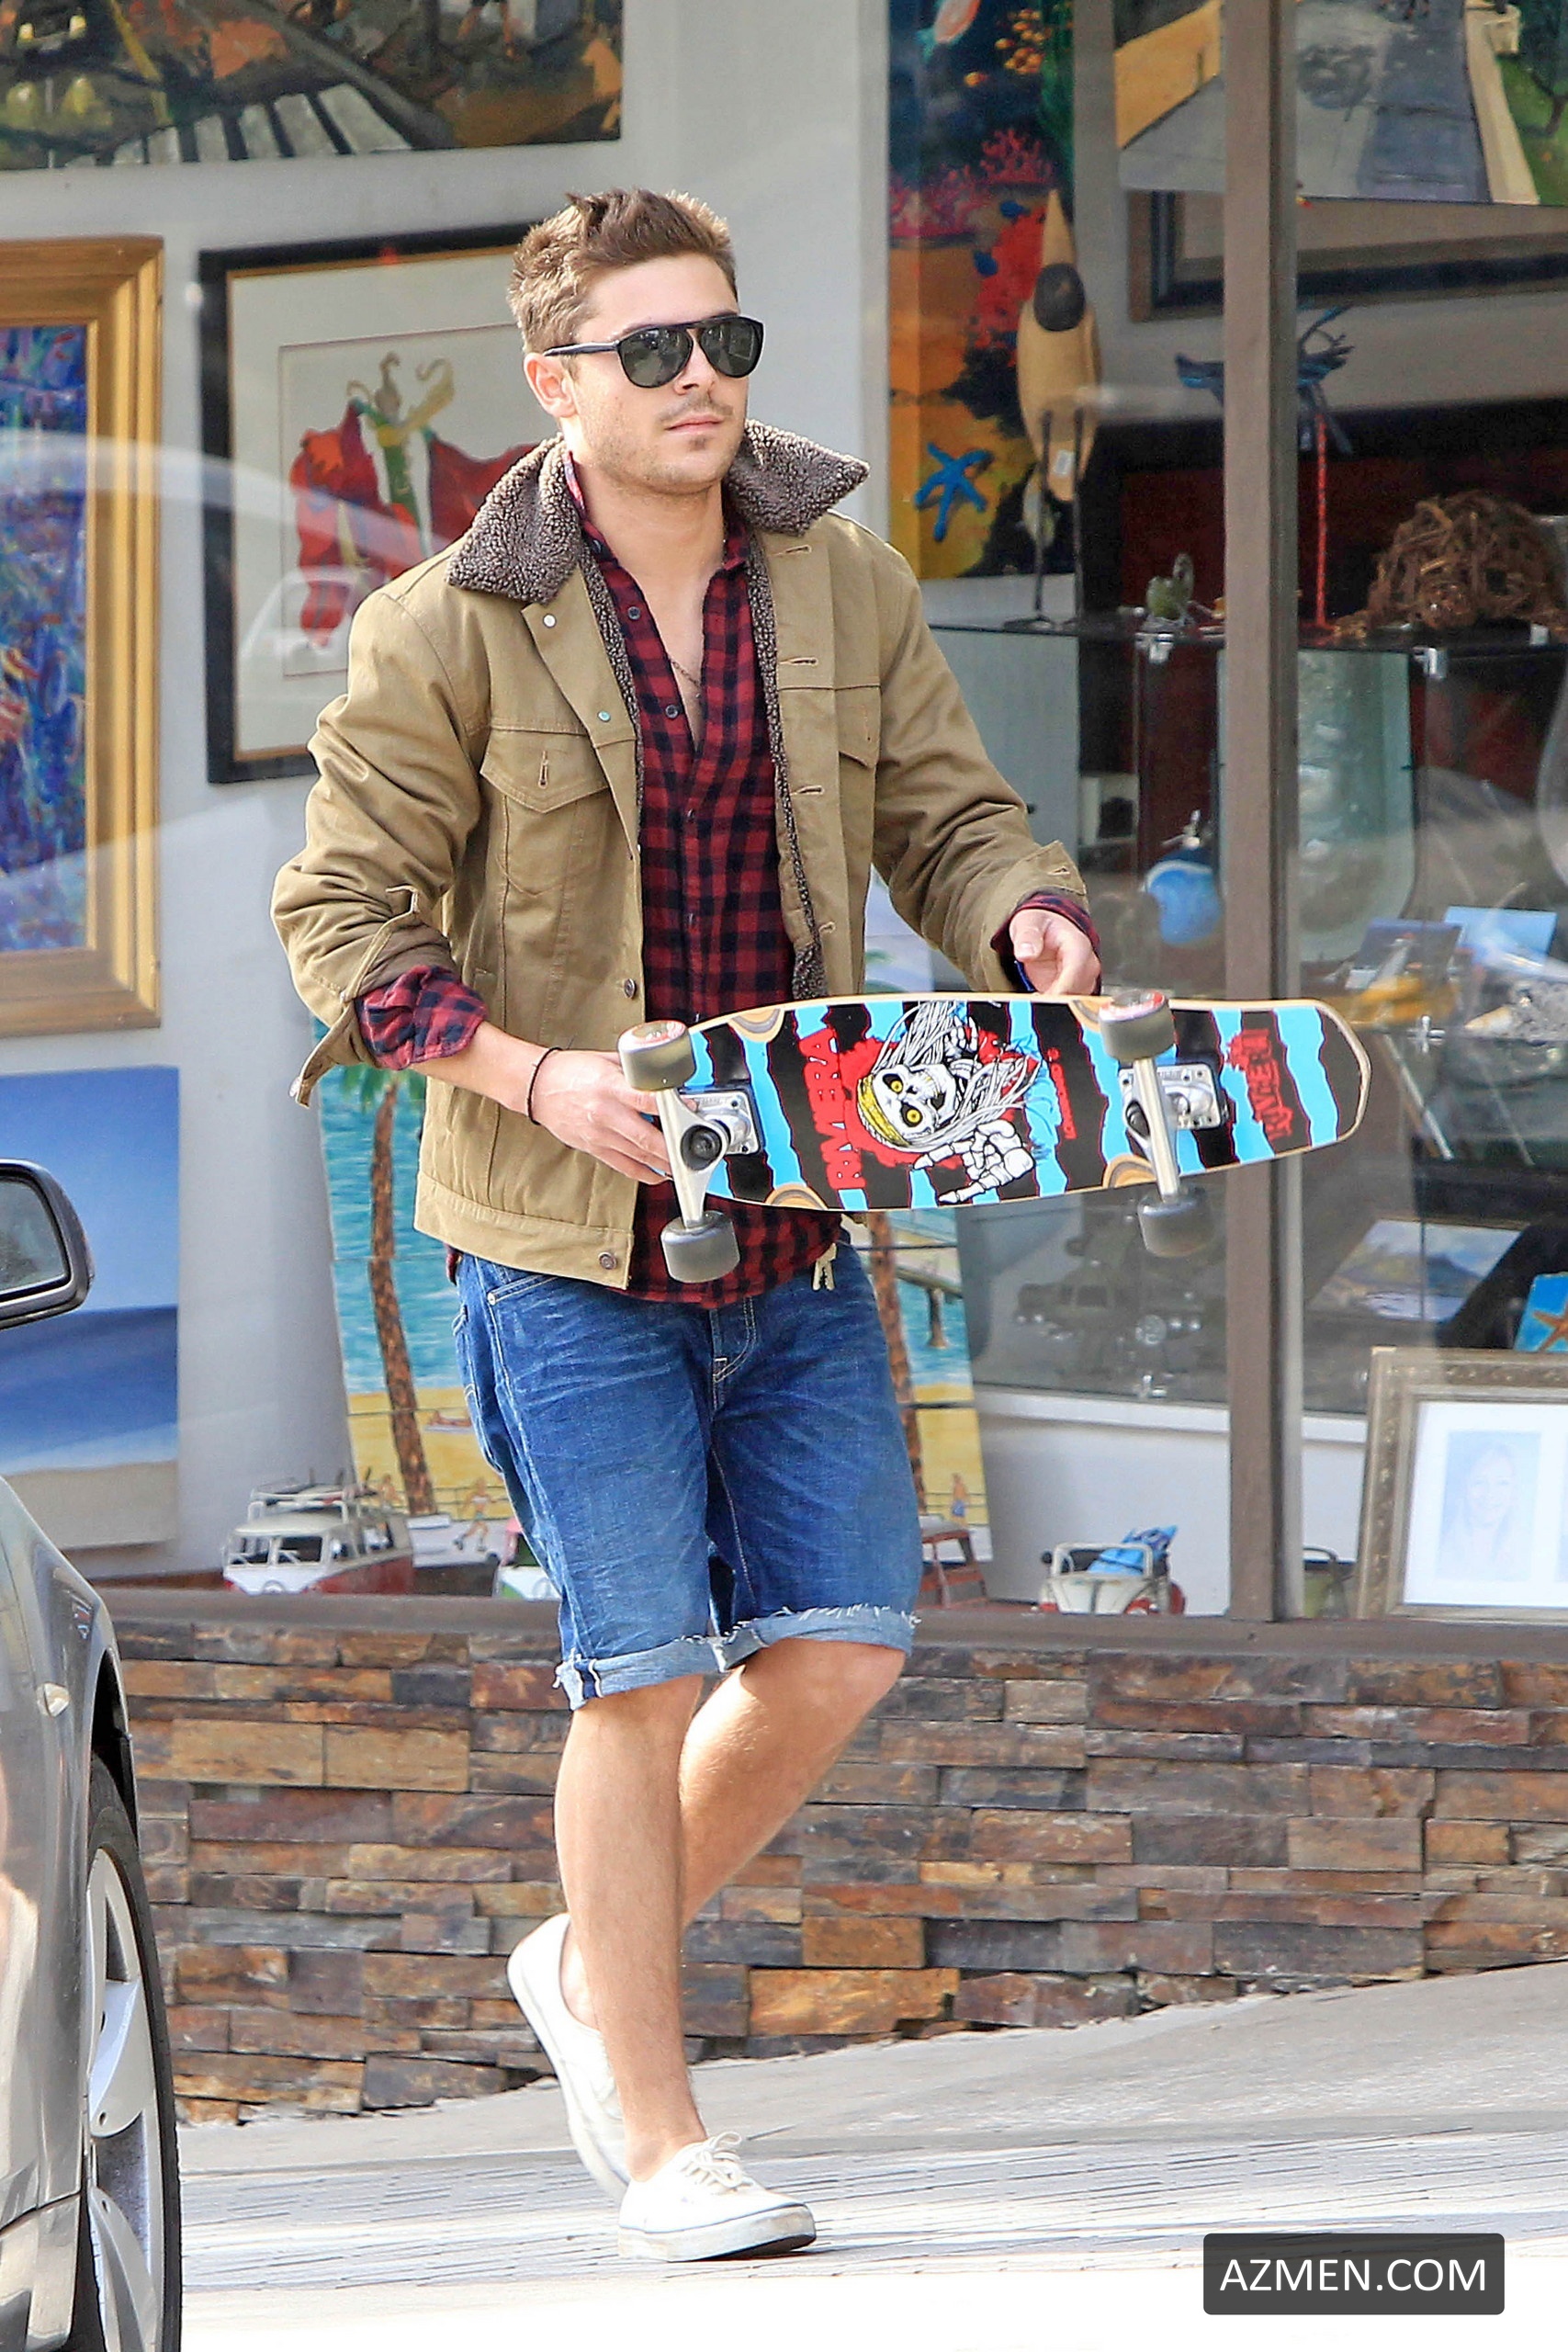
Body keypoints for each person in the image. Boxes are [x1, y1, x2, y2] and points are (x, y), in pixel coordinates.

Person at [273, 187, 1099, 2262]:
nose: (701, 379)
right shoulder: (445, 623)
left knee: (840, 1647)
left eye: (723, 339)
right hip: (563, 1243)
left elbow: (945, 812)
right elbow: (341, 919)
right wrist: (534, 1075)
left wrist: (1023, 912)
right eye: (650, 350)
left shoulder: (838, 578)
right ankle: (663, 2139)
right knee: (634, 1677)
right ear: (553, 382)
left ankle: (582, 1962)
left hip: (795, 1218)